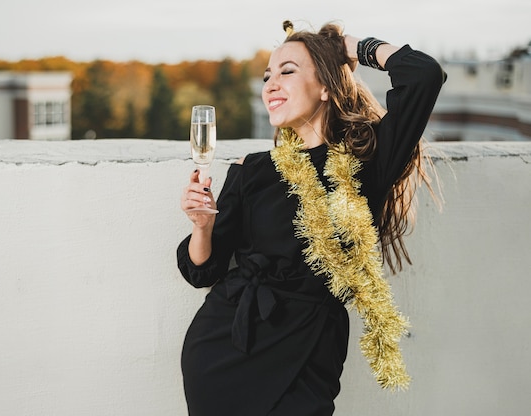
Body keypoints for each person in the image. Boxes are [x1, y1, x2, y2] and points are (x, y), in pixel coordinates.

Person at [177, 20, 446, 416]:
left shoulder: (365, 159)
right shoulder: (251, 170)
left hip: (310, 348)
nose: (270, 84)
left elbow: (423, 75)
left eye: (287, 71)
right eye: (267, 75)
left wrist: (348, 47)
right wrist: (202, 227)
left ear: (325, 87)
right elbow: (202, 270)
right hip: (224, 346)